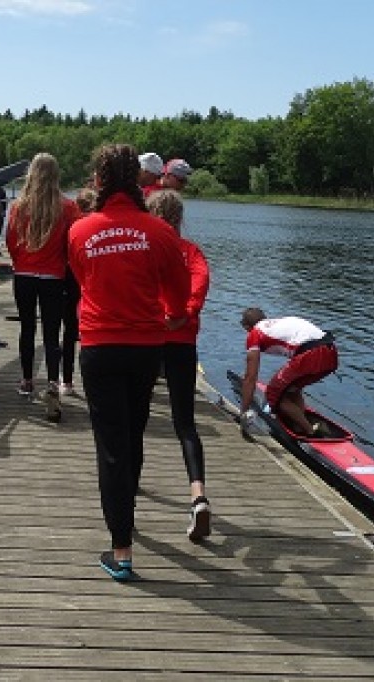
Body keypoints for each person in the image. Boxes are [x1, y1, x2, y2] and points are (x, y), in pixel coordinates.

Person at [68, 143, 191, 581]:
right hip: (145, 350)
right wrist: (170, 316)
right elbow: (177, 299)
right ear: (139, 181)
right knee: (133, 433)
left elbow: (85, 280)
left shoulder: (80, 231)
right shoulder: (160, 233)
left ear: (99, 181)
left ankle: (122, 550)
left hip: (99, 347)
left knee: (110, 447)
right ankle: (128, 510)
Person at [146, 189, 212, 543]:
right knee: (185, 424)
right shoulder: (191, 252)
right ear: (179, 218)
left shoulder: (145, 251)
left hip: (147, 341)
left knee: (136, 417)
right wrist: (184, 314)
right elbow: (199, 286)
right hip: (183, 343)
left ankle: (129, 486)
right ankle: (197, 495)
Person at [5, 153, 82, 422]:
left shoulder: (18, 206)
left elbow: (11, 241)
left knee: (27, 328)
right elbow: (74, 244)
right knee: (52, 334)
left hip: (24, 274)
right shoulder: (68, 207)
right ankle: (52, 382)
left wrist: (20, 263)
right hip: (54, 277)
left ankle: (27, 381)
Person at [237, 308, 339, 435]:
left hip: (311, 354)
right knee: (292, 389)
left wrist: (243, 413)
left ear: (246, 326)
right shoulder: (280, 322)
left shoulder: (255, 333)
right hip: (331, 353)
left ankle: (309, 431)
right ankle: (299, 425)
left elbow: (250, 377)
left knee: (273, 393)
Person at [59, 187, 96, 396]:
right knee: (86, 334)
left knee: (69, 331)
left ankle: (67, 381)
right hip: (89, 284)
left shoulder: (73, 227)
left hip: (69, 281)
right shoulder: (94, 227)